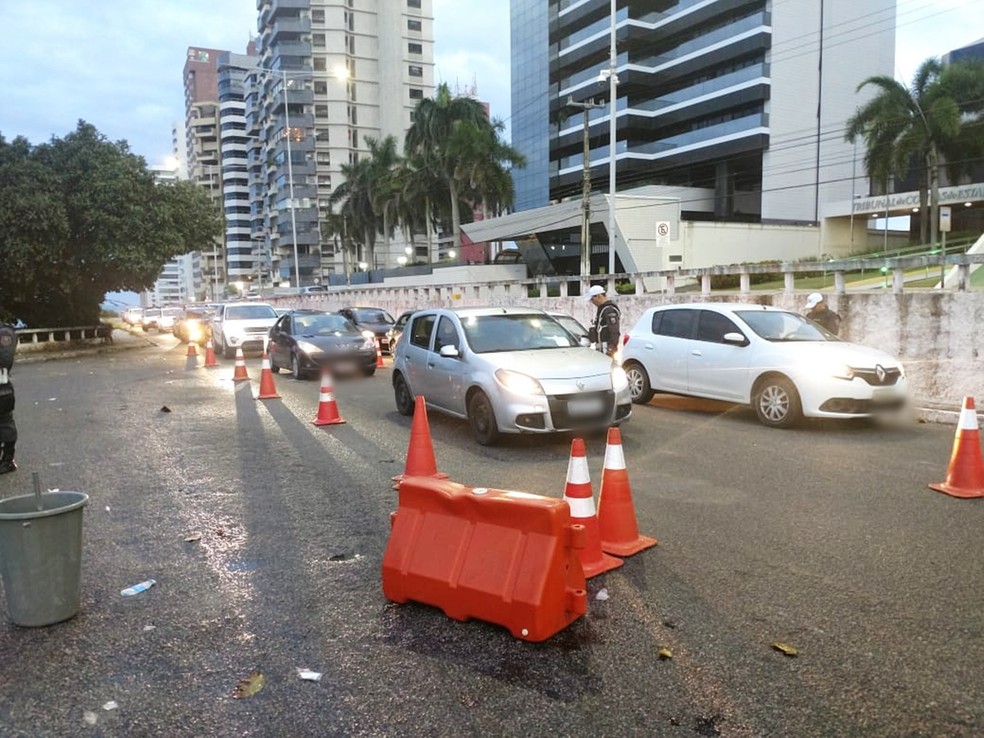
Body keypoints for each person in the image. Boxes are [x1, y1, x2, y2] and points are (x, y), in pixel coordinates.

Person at [584, 285, 621, 357]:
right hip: (601, 350)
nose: (592, 302)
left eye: (592, 299)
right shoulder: (602, 309)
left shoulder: (609, 310)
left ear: (598, 296)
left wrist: (611, 348)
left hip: (607, 350)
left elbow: (614, 331)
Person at [0, 320, 17, 474]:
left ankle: (8, 459)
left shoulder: (4, 332)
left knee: (5, 423)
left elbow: (5, 359)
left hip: (1, 388)